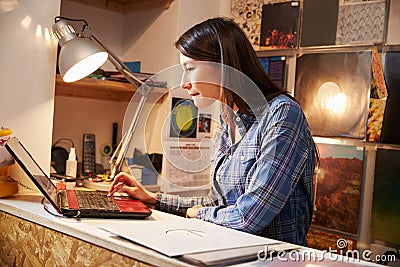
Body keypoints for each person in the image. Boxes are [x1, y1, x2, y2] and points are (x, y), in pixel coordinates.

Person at [108, 17, 318, 246]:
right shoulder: (228, 121)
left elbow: (249, 216)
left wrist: (198, 214)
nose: (184, 82)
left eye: (189, 69)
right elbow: (220, 205)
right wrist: (154, 200)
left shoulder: (283, 114)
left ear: (223, 65)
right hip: (229, 253)